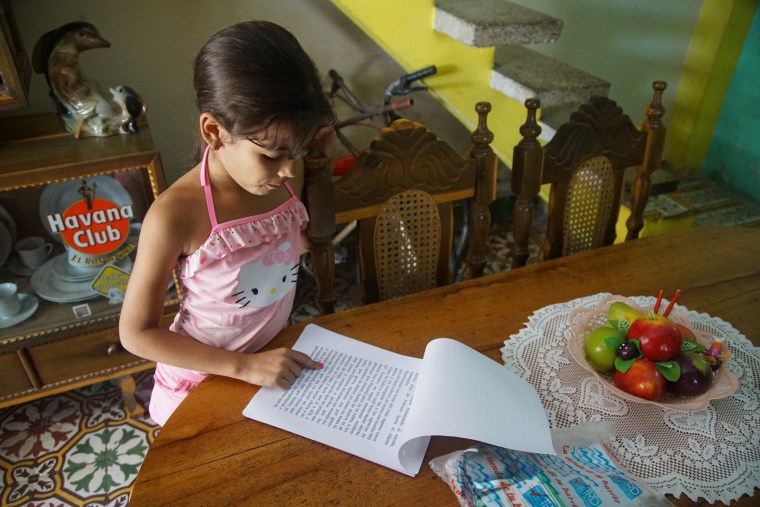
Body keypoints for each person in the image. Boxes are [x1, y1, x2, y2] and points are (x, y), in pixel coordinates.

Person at [119, 20, 335, 426]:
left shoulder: (286, 171)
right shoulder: (175, 215)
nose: (290, 169)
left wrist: (314, 149)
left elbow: (298, 244)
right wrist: (243, 367)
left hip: (270, 361)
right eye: (272, 155)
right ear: (214, 131)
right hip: (204, 382)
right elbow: (136, 334)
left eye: (299, 150)